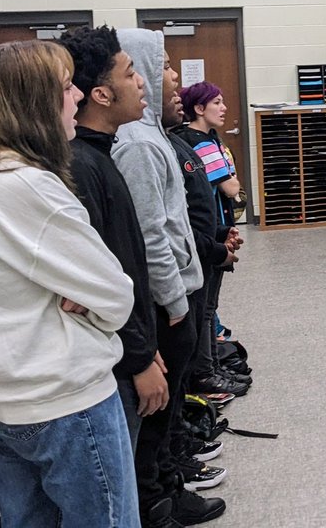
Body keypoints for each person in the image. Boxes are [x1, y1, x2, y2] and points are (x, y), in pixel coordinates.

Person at [0, 40, 140, 527]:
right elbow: (117, 295)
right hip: (65, 402)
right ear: (35, 104)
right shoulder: (25, 186)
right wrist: (91, 298)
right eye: (65, 88)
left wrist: (84, 293)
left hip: (7, 395)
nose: (78, 95)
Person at [114, 28, 225, 526]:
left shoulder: (154, 135)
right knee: (158, 409)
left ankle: (169, 477)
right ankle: (158, 498)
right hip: (169, 299)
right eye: (157, 69)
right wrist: (177, 302)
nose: (173, 79)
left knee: (174, 397)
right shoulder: (137, 144)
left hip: (184, 286)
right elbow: (151, 235)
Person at [57, 25, 169, 449]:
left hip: (131, 347)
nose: (141, 82)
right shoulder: (82, 167)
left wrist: (146, 346)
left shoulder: (101, 155)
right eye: (128, 73)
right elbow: (98, 278)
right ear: (100, 95)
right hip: (116, 362)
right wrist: (138, 358)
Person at [172, 81, 248, 398]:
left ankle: (213, 366)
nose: (224, 107)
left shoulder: (209, 139)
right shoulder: (198, 142)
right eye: (217, 102)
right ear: (199, 109)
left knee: (209, 309)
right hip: (206, 237)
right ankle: (206, 373)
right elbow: (232, 188)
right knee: (205, 311)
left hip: (218, 229)